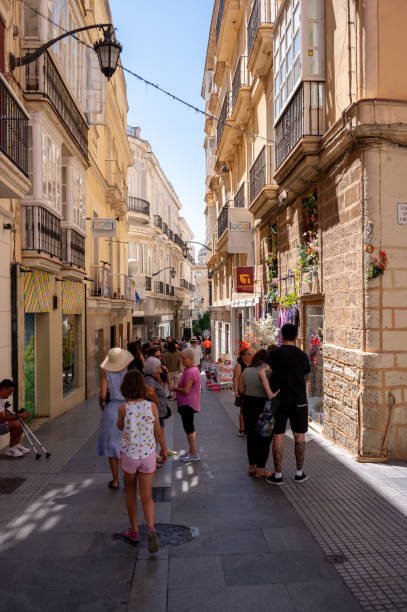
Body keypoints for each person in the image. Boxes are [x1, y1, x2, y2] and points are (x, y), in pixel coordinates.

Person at [117, 369, 167, 553]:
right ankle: (151, 527)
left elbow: (120, 426)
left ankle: (134, 530)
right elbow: (158, 432)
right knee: (147, 495)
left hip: (130, 455)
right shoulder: (151, 407)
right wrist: (163, 448)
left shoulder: (123, 408)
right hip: (148, 455)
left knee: (130, 492)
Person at [264, 323, 311, 486]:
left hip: (279, 400)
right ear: (296, 337)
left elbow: (261, 371)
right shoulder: (303, 355)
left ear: (282, 336)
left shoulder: (275, 354)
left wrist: (270, 392)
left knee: (278, 436)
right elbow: (307, 377)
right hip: (299, 400)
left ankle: (278, 475)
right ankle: (299, 473)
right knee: (300, 436)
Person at [239, 350, 280, 478]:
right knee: (264, 438)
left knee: (251, 437)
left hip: (248, 405)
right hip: (264, 406)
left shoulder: (246, 371)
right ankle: (261, 469)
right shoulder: (268, 371)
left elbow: (241, 390)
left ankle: (252, 466)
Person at [97, 347, 134, 489]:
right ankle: (127, 478)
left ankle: (115, 480)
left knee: (112, 445)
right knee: (127, 445)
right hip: (128, 408)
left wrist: (101, 404)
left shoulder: (106, 373)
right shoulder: (128, 374)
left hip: (112, 409)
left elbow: (102, 395)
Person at [174, 348, 201, 462]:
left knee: (189, 428)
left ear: (190, 358)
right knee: (189, 427)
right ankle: (192, 451)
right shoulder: (190, 369)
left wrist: (174, 387)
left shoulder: (190, 371)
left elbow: (186, 390)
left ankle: (194, 453)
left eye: (183, 358)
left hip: (187, 404)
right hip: (188, 403)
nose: (182, 360)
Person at [0, 379, 30, 458]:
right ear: (4, 389)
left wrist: (19, 414)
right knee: (16, 424)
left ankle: (15, 445)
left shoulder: (1, 400)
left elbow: (5, 413)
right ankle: (11, 449)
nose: (10, 394)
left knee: (20, 421)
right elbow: (1, 419)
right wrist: (18, 416)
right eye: (10, 392)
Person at [233, 347, 251, 436]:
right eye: (248, 354)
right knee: (243, 411)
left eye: (250, 354)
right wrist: (236, 391)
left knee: (248, 410)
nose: (250, 356)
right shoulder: (239, 366)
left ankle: (247, 428)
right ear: (242, 356)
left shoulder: (250, 364)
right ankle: (242, 430)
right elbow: (236, 379)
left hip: (250, 391)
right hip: (242, 391)